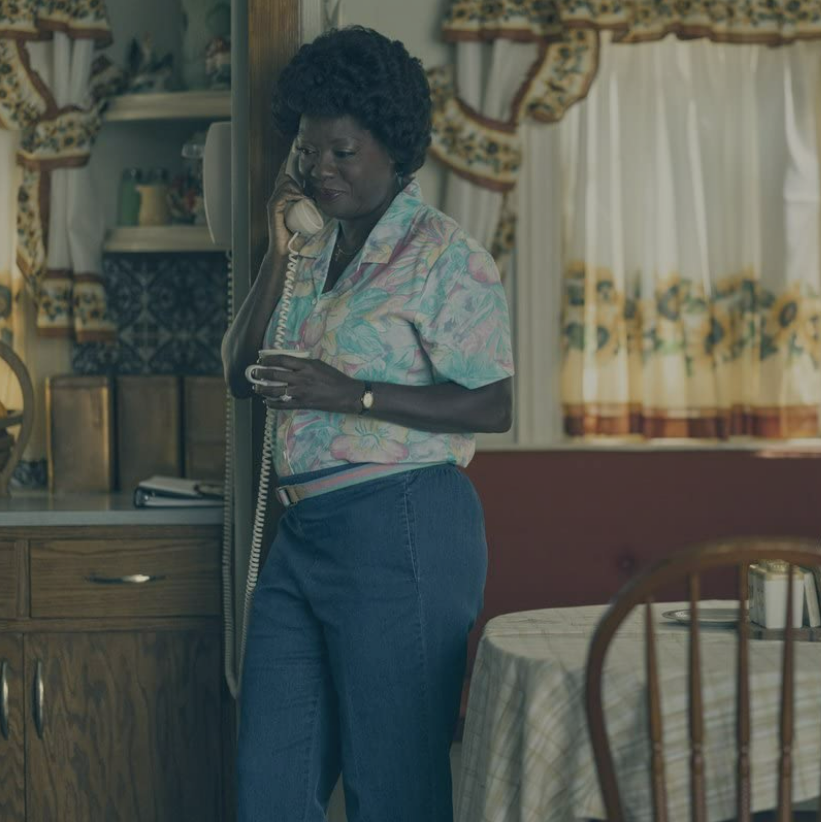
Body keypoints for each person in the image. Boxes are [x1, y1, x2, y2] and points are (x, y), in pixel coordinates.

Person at [221, 26, 513, 821]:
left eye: (342, 152)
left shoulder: (445, 257)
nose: (321, 169)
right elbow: (237, 373)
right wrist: (281, 252)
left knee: (394, 792)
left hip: (403, 525)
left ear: (395, 150)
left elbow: (494, 403)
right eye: (309, 152)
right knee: (269, 791)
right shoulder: (311, 248)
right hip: (301, 535)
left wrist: (350, 393)